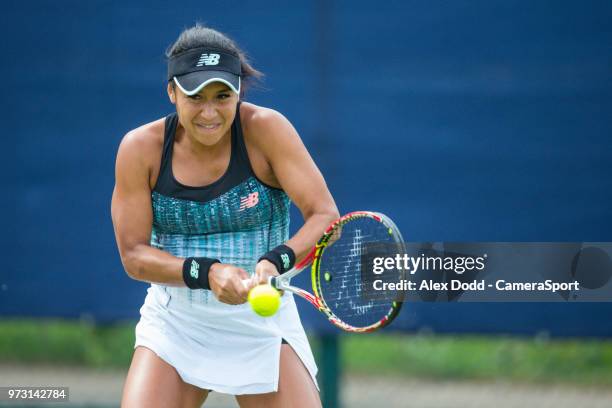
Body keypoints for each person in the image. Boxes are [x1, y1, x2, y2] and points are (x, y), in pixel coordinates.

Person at [111, 24, 338, 408]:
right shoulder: (140, 149)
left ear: (238, 93)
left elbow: (325, 217)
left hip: (262, 324)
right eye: (195, 97)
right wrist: (209, 272)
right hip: (176, 323)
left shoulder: (267, 130)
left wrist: (275, 260)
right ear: (172, 92)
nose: (210, 112)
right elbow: (134, 256)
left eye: (222, 96)